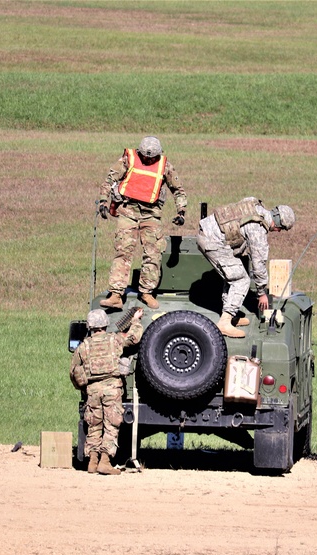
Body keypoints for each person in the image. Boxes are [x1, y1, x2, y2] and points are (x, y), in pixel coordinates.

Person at [96, 136, 188, 311]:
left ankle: (146, 292)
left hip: (151, 214)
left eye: (152, 158)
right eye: (145, 157)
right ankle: (116, 294)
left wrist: (181, 211)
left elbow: (178, 190)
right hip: (128, 211)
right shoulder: (128, 159)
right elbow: (109, 179)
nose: (148, 160)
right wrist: (103, 201)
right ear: (139, 152)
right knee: (123, 251)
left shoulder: (165, 166)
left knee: (153, 253)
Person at [196, 197, 296, 338]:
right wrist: (261, 293)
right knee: (241, 280)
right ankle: (225, 322)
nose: (278, 231)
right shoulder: (258, 230)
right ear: (278, 223)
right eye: (281, 228)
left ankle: (231, 316)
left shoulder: (256, 206)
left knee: (234, 273)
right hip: (213, 241)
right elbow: (258, 264)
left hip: (209, 233)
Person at [69, 307, 145, 475]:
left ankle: (92, 462)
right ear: (105, 324)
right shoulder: (114, 340)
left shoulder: (83, 346)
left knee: (94, 425)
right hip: (112, 388)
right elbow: (134, 337)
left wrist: (83, 388)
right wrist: (136, 320)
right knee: (111, 425)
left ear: (90, 326)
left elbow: (74, 371)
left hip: (93, 390)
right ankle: (105, 461)